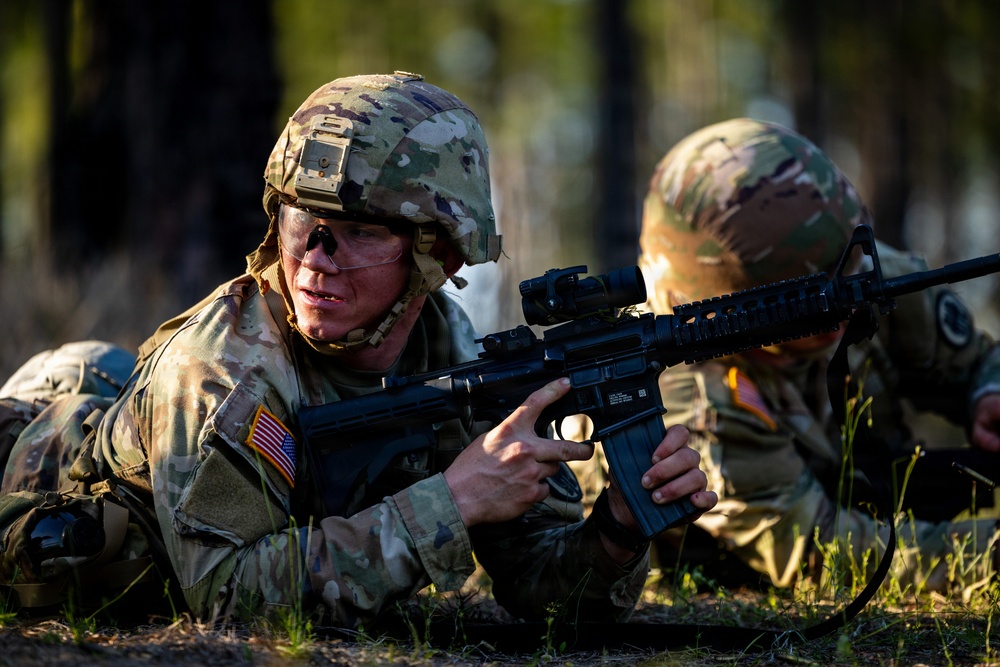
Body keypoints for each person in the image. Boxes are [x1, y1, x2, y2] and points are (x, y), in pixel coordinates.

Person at [0, 72, 716, 627]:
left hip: (131, 409)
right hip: (37, 453)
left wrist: (620, 526)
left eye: (361, 231)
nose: (316, 258)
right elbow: (227, 597)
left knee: (105, 372)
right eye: (302, 220)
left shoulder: (451, 347)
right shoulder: (218, 370)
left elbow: (547, 592)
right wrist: (454, 500)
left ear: (435, 255)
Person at [636, 117, 1000, 593]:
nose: (851, 305)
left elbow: (975, 362)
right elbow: (825, 555)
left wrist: (986, 391)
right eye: (821, 302)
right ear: (741, 310)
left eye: (849, 272)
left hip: (874, 495)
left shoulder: (857, 272)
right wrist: (989, 554)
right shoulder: (684, 399)